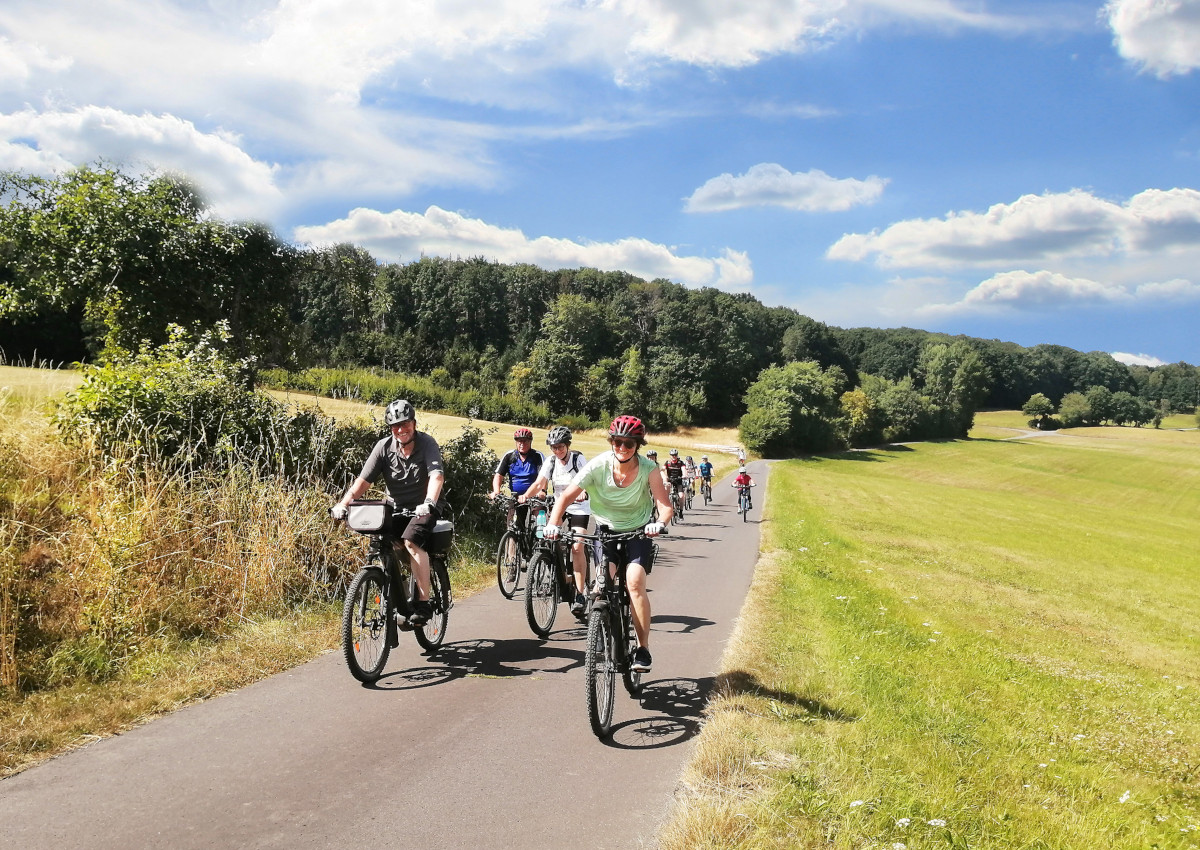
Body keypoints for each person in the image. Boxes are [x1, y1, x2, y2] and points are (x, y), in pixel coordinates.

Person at [543, 415, 672, 672]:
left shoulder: (648, 469)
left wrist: (659, 523)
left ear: (638, 445)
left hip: (638, 531)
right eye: (617, 442)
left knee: (634, 582)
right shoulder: (598, 465)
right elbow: (566, 497)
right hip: (606, 531)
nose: (622, 448)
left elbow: (664, 506)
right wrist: (553, 524)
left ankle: (643, 649)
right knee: (602, 583)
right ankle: (602, 627)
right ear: (611, 442)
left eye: (629, 444)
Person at [331, 399, 444, 624]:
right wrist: (343, 504)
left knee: (412, 542)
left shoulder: (427, 443)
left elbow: (436, 476)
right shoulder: (383, 447)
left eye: (405, 424)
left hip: (425, 506)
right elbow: (362, 483)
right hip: (396, 507)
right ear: (390, 428)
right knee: (379, 541)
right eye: (395, 426)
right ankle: (399, 593)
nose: (401, 430)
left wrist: (429, 501)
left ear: (414, 423)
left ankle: (422, 604)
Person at [521, 425, 591, 617]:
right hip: (560, 505)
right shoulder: (551, 461)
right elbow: (539, 483)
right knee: (549, 536)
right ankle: (557, 573)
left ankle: (580, 593)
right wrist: (525, 496)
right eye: (553, 447)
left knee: (577, 546)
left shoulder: (577, 459)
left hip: (579, 507)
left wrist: (583, 492)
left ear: (567, 445)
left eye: (560, 447)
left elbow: (587, 479)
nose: (557, 451)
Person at [491, 427, 545, 534]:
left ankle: (542, 545)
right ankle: (511, 549)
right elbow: (498, 476)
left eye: (525, 441)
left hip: (535, 496)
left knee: (541, 521)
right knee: (512, 527)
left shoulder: (537, 456)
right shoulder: (509, 456)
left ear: (530, 442)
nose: (522, 444)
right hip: (516, 496)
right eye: (519, 441)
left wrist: (542, 491)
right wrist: (496, 491)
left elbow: (544, 477)